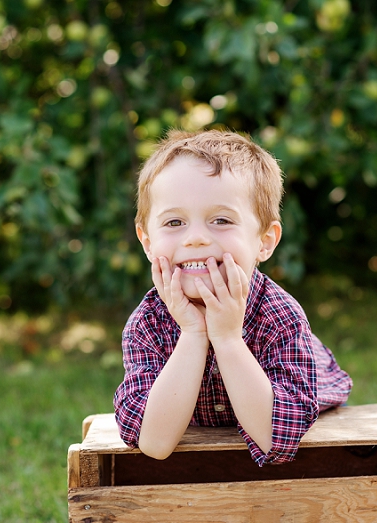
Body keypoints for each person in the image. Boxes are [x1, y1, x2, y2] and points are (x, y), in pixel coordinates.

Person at [114, 129, 352, 466]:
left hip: (296, 389)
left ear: (264, 241)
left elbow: (277, 440)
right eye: (175, 221)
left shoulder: (279, 315)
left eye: (221, 220)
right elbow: (153, 442)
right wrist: (194, 334)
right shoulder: (147, 324)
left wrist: (226, 338)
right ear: (147, 241)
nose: (195, 238)